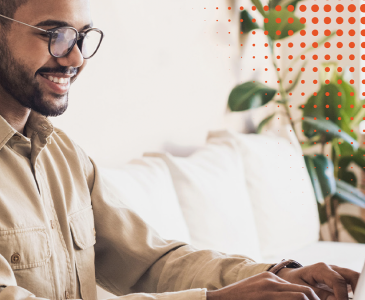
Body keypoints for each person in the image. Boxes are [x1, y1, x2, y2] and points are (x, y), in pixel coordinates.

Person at [0, 0, 360, 300]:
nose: (76, 58)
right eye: (56, 35)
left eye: (82, 37)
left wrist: (276, 275)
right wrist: (213, 299)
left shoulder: (63, 155)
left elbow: (151, 260)